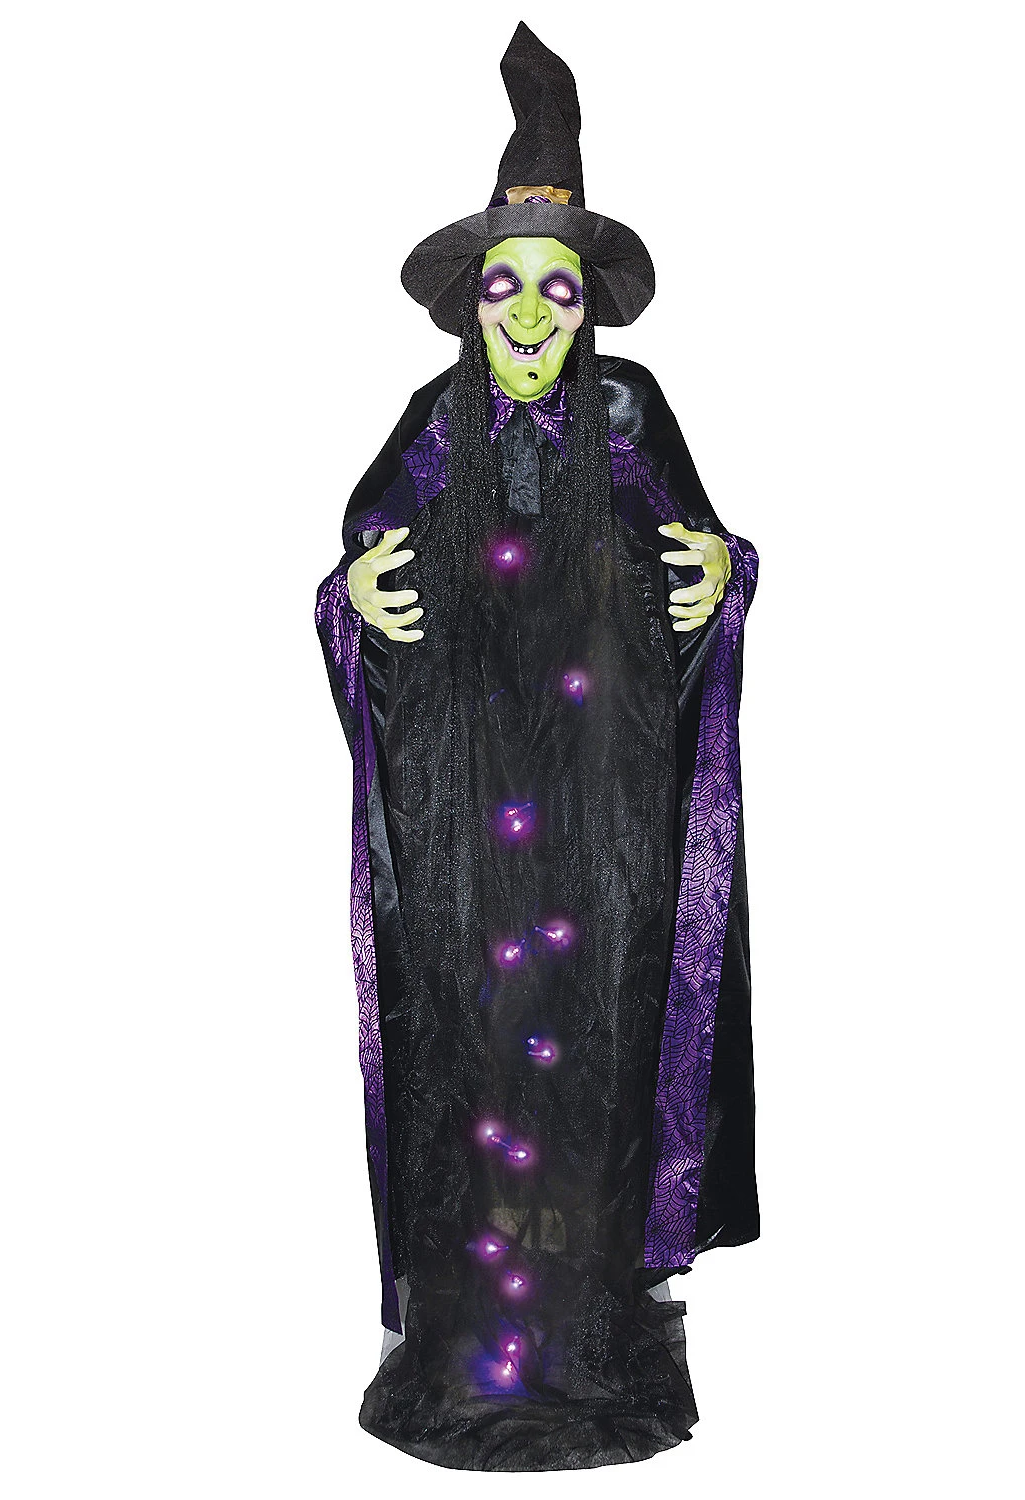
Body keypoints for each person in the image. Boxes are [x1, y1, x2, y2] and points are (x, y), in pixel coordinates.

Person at [314, 23, 760, 1471]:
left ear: (586, 310)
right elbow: (359, 561)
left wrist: (722, 572)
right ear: (471, 305)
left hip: (603, 820)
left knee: (597, 1045)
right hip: (468, 827)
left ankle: (586, 1330)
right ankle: (476, 1329)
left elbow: (708, 550)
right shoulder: (430, 426)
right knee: (479, 1047)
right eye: (502, 284)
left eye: (556, 288)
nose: (526, 311)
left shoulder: (629, 412)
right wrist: (353, 597)